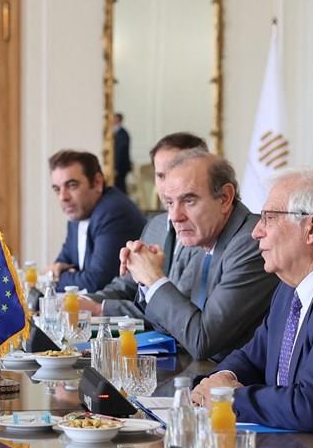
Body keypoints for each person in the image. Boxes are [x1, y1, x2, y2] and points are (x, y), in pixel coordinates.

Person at [193, 169, 313, 448]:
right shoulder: (291, 287)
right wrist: (221, 379)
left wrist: (228, 398)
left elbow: (310, 405)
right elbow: (252, 358)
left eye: (269, 217)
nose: (256, 231)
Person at [115, 149, 278, 360]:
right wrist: (145, 277)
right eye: (170, 203)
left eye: (189, 200)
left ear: (225, 198)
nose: (175, 216)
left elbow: (202, 340)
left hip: (235, 376)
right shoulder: (204, 239)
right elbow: (173, 326)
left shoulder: (251, 242)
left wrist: (154, 279)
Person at [82, 132, 209, 319]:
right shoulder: (156, 224)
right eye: (160, 175)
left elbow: (178, 308)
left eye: (175, 174)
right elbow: (128, 284)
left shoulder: (205, 231)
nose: (167, 186)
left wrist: (101, 309)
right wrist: (84, 301)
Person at [48, 149, 146, 291]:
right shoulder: (77, 214)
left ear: (97, 182)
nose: (63, 197)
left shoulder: (113, 212)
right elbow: (60, 264)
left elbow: (96, 283)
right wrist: (62, 273)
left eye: (72, 185)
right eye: (57, 189)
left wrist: (57, 277)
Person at [112, 113, 132, 193]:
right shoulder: (116, 133)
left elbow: (120, 152)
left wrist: (116, 167)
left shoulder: (122, 134)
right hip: (119, 166)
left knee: (121, 187)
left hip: (121, 166)